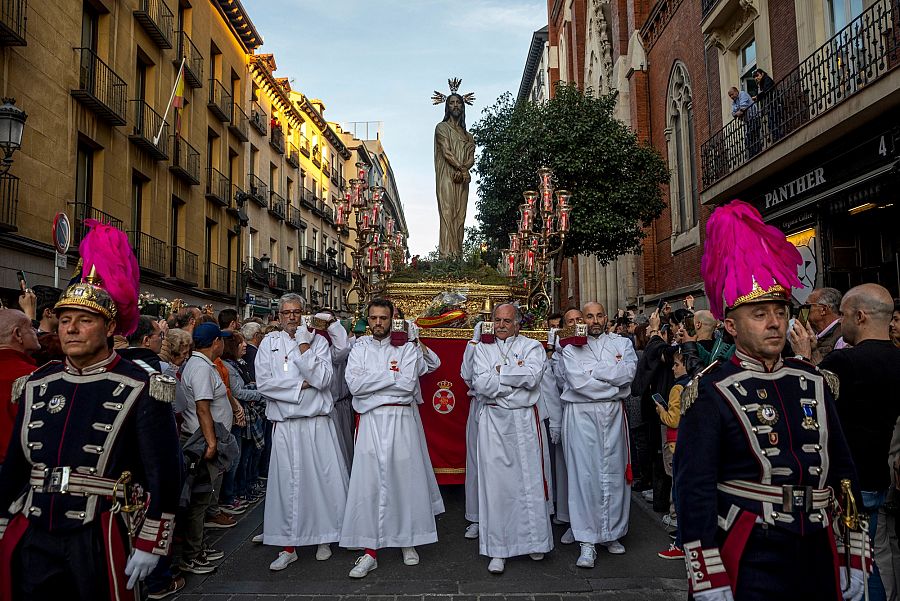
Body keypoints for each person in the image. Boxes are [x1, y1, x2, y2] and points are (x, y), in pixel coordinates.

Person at [676, 200, 868, 601]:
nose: (775, 322)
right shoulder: (711, 389)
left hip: (818, 545)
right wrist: (707, 575)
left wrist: (855, 554)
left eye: (780, 311)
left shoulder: (814, 380)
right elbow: (694, 490)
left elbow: (843, 473)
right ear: (730, 325)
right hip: (749, 549)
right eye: (759, 314)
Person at [0, 221, 181, 599]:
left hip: (99, 531)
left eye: (84, 320)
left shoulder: (141, 385)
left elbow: (164, 473)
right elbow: (16, 467)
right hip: (35, 528)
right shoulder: (37, 383)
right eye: (65, 320)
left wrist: (151, 541)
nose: (71, 329)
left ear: (109, 325)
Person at [793, 283, 900, 601]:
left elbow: (809, 408)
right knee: (871, 553)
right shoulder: (896, 359)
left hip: (848, 484)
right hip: (878, 475)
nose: (841, 322)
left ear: (860, 316)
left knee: (858, 564)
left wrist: (803, 358)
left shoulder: (846, 363)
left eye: (844, 315)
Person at [340, 298, 443, 578]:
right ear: (367, 319)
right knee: (368, 484)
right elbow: (355, 385)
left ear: (392, 318)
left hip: (401, 421)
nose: (378, 323)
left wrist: (376, 382)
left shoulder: (408, 348)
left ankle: (407, 541)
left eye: (383, 318)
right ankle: (369, 550)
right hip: (371, 422)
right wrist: (391, 377)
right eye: (373, 318)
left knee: (404, 480)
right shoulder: (359, 347)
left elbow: (408, 384)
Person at [255, 297, 349, 572]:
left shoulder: (317, 342)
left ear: (304, 314)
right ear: (279, 315)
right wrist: (301, 385)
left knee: (322, 482)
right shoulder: (268, 343)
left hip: (316, 423)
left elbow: (323, 380)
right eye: (287, 313)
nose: (292, 317)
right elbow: (265, 384)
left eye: (297, 312)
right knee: (287, 487)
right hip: (285, 426)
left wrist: (304, 351)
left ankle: (324, 537)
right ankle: (288, 546)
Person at [470, 303, 552, 574]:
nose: (502, 325)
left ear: (518, 323)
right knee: (497, 486)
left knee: (528, 482)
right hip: (493, 422)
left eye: (507, 320)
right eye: (498, 320)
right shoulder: (482, 348)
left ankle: (535, 541)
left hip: (524, 420)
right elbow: (480, 383)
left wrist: (499, 375)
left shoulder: (532, 347)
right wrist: (511, 381)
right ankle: (498, 549)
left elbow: (532, 377)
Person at [560, 302, 637, 568]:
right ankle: (587, 540)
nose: (594, 320)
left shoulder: (622, 344)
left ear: (606, 318)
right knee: (585, 476)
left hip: (614, 417)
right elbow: (578, 383)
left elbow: (628, 375)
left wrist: (595, 372)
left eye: (599, 315)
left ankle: (611, 533)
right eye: (588, 316)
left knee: (615, 474)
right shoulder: (571, 347)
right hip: (582, 416)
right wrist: (612, 385)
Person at [177, 321, 237, 574]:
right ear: (216, 343)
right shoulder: (201, 368)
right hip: (201, 440)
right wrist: (212, 442)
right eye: (221, 340)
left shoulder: (203, 365)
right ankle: (192, 554)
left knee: (204, 496)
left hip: (206, 437)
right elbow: (203, 407)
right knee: (200, 499)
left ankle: (199, 546)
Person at [434, 90, 476, 256]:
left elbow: (471, 157)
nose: (455, 105)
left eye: (458, 102)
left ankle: (457, 254)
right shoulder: (441, 128)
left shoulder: (469, 136)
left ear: (463, 106)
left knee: (460, 216)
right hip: (446, 176)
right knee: (447, 212)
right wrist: (461, 168)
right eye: (452, 102)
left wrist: (464, 169)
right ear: (447, 106)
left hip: (463, 179)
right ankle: (446, 256)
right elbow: (446, 151)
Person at [656, 351, 688, 561]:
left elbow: (673, 419)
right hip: (686, 442)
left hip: (675, 442)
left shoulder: (678, 388)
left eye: (676, 364)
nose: (673, 369)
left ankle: (681, 540)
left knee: (678, 489)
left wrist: (660, 410)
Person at [0, 309, 40, 466]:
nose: (36, 331)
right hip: (16, 472)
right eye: (31, 326)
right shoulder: (35, 377)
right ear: (17, 334)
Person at [802, 287, 844, 364]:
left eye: (808, 306)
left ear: (823, 310)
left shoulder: (842, 338)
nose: (804, 311)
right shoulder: (814, 334)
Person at [728, 86, 760, 159]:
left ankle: (756, 152)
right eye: (730, 96)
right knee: (748, 138)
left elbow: (743, 108)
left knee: (753, 135)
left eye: (732, 94)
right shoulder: (734, 102)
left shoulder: (742, 94)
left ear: (736, 92)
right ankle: (752, 154)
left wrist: (739, 112)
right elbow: (733, 113)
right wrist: (737, 113)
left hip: (754, 117)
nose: (731, 97)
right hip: (748, 121)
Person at [752, 68, 780, 142]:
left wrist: (757, 97)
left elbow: (766, 90)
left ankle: (778, 137)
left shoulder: (766, 79)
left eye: (757, 75)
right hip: (771, 104)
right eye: (754, 77)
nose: (756, 78)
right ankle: (776, 137)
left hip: (774, 103)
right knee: (772, 123)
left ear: (762, 74)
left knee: (774, 121)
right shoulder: (761, 84)